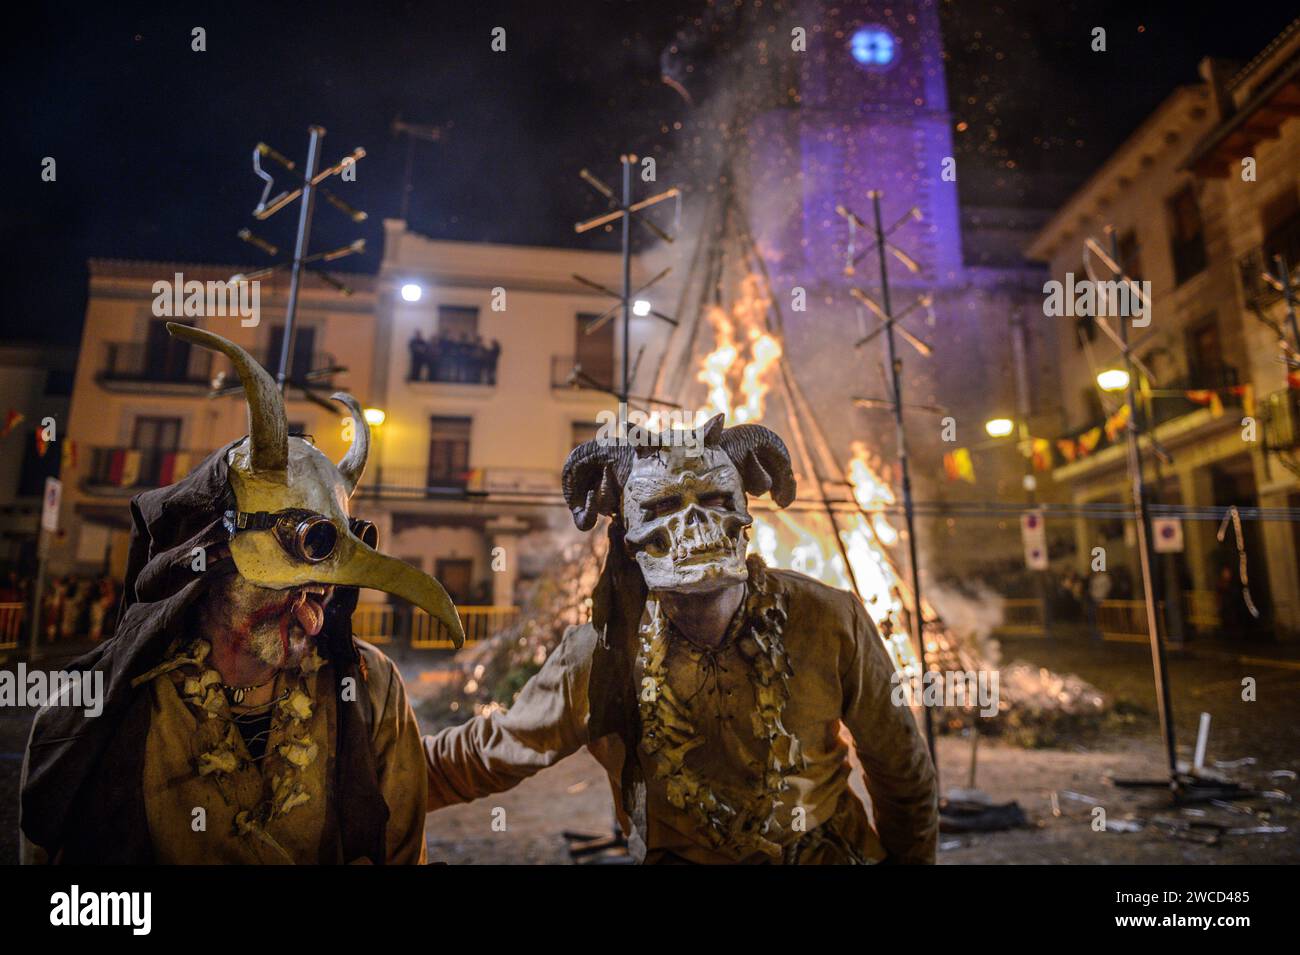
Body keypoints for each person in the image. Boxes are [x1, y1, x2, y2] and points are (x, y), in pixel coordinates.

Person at [20, 325, 464, 864]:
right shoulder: (92, 708)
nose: (316, 599)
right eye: (290, 573)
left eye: (326, 579)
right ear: (214, 560)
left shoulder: (371, 692)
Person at [424, 415, 938, 863]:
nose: (692, 521)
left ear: (745, 518)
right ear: (628, 536)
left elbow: (901, 771)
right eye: (662, 507)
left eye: (715, 499)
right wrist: (367, 768)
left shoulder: (826, 618)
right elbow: (488, 753)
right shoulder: (599, 658)